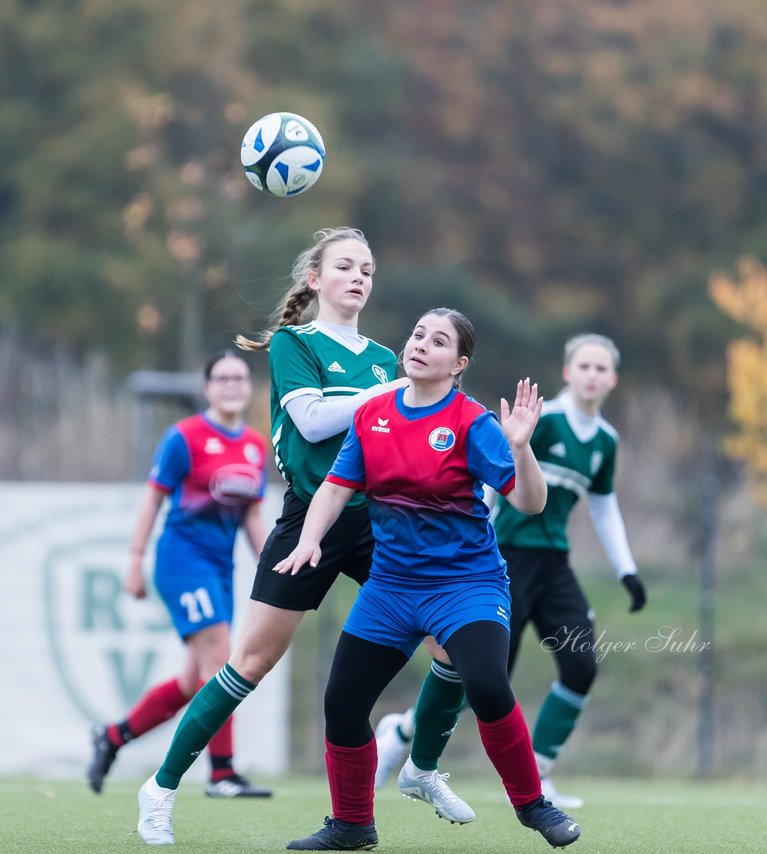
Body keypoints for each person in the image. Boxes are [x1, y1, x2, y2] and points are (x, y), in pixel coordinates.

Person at [135, 228, 473, 846]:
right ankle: (160, 787)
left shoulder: (382, 356)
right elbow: (314, 421)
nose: (359, 277)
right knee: (252, 661)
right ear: (315, 279)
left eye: (368, 269)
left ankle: (420, 765)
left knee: (455, 644)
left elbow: (406, 430)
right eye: (345, 266)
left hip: (378, 521)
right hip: (310, 517)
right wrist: (393, 391)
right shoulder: (296, 342)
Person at [276, 308, 581, 851]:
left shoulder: (472, 422)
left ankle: (534, 806)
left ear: (458, 363)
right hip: (390, 589)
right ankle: (351, 824)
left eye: (437, 341)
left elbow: (530, 503)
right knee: (342, 704)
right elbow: (334, 487)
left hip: (466, 585)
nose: (420, 344)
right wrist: (309, 539)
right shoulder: (373, 415)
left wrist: (521, 445)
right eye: (417, 334)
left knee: (488, 686)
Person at [373, 332, 647, 810]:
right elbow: (493, 479)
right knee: (483, 679)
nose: (592, 375)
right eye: (584, 365)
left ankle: (539, 773)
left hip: (554, 565)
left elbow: (603, 506)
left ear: (613, 379)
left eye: (601, 368)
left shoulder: (605, 440)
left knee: (581, 664)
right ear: (567, 372)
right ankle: (401, 730)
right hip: (504, 558)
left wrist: (627, 569)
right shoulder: (547, 421)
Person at [88, 351, 272, 798]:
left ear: (249, 388)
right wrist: (135, 560)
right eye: (222, 378)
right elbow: (153, 499)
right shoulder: (184, 437)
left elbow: (250, 516)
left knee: (195, 682)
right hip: (182, 561)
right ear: (206, 388)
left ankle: (113, 737)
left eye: (240, 378)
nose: (231, 385)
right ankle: (222, 773)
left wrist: (273, 568)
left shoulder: (254, 445)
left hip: (221, 569)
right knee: (224, 665)